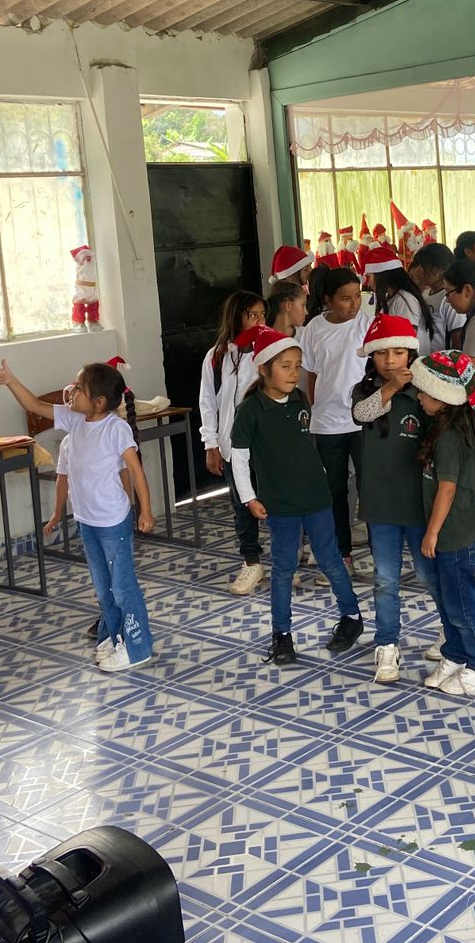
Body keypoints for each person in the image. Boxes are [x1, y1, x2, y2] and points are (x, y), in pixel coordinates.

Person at [0, 359, 156, 672]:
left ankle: (138, 647)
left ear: (98, 401)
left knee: (122, 587)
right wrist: (10, 380)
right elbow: (34, 405)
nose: (71, 391)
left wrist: (146, 510)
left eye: (79, 388)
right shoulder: (75, 422)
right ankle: (114, 636)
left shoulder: (115, 428)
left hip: (113, 522)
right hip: (87, 522)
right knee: (103, 587)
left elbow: (136, 471)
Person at [229, 327, 364, 664]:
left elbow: (304, 445)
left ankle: (351, 616)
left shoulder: (301, 400)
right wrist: (249, 499)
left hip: (316, 498)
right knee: (284, 568)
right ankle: (282, 635)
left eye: (297, 366)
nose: (294, 373)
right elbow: (240, 458)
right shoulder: (250, 410)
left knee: (331, 560)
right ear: (264, 369)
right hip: (280, 505)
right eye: (285, 366)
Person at [412, 349, 475, 695]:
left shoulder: (450, 438)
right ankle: (456, 654)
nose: (419, 397)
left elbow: (447, 489)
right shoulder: (444, 428)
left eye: (423, 392)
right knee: (450, 601)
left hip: (457, 533)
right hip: (452, 533)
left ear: (443, 398)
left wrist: (432, 532)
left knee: (463, 604)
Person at [350, 315, 426, 684]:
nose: (391, 360)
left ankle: (450, 636)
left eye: (399, 352)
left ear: (411, 354)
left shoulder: (425, 389)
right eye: (382, 353)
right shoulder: (364, 391)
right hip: (381, 504)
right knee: (385, 578)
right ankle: (387, 643)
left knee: (430, 574)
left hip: (420, 503)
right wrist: (392, 387)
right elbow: (361, 414)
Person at [298, 266, 371, 570]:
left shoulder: (366, 324)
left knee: (370, 487)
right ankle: (343, 555)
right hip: (328, 423)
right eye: (345, 298)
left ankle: (382, 555)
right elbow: (312, 375)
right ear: (328, 299)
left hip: (363, 420)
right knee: (335, 491)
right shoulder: (314, 328)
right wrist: (314, 409)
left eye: (357, 296)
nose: (354, 304)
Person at [198, 290, 268, 595]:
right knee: (242, 506)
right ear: (237, 317)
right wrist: (211, 444)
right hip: (231, 446)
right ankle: (251, 561)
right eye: (253, 315)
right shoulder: (216, 357)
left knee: (275, 502)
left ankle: (287, 561)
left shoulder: (268, 351)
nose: (260, 321)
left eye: (262, 315)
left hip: (267, 445)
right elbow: (208, 402)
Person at [370, 248, 435, 354]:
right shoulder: (393, 298)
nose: (369, 282)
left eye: (370, 276)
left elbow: (408, 340)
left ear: (380, 276)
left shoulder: (405, 299)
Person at [410, 241, 462, 354]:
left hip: (442, 362)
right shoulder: (425, 294)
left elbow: (457, 337)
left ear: (438, 270)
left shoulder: (449, 298)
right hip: (425, 360)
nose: (417, 271)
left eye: (421, 266)